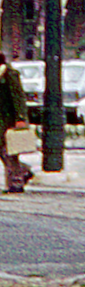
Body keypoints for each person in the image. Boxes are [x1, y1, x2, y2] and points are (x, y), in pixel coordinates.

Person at [1, 51, 30, 192]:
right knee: (5, 153)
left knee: (10, 153)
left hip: (9, 121)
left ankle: (16, 183)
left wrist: (21, 118)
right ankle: (24, 171)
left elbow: (18, 97)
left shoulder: (9, 74)